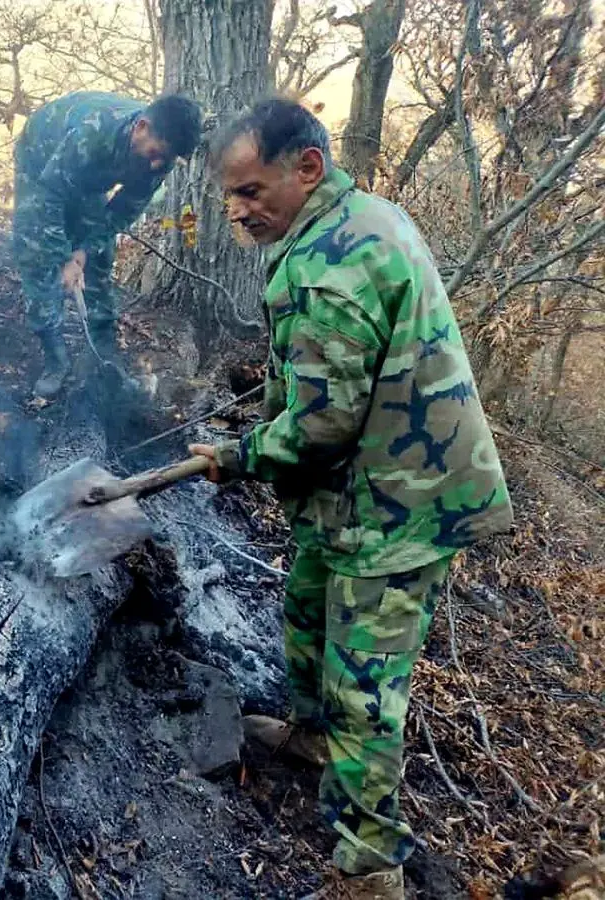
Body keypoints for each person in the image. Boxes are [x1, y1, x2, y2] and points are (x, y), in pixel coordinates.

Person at [188, 98, 513, 899]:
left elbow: (326, 422)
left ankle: (371, 870)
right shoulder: (348, 221)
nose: (236, 210)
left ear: (308, 167)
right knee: (305, 607)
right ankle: (309, 738)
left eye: (251, 191)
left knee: (363, 689)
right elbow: (323, 383)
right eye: (229, 195)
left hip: (401, 505)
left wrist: (238, 455)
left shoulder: (335, 260)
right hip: (362, 492)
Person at [12, 91, 201, 398]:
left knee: (99, 256)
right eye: (156, 154)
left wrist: (83, 251)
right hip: (41, 162)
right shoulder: (93, 135)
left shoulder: (160, 159)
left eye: (166, 160)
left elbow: (120, 213)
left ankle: (101, 349)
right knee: (37, 252)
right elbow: (50, 195)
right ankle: (54, 355)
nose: (157, 165)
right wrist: (63, 257)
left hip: (88, 178)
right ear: (141, 128)